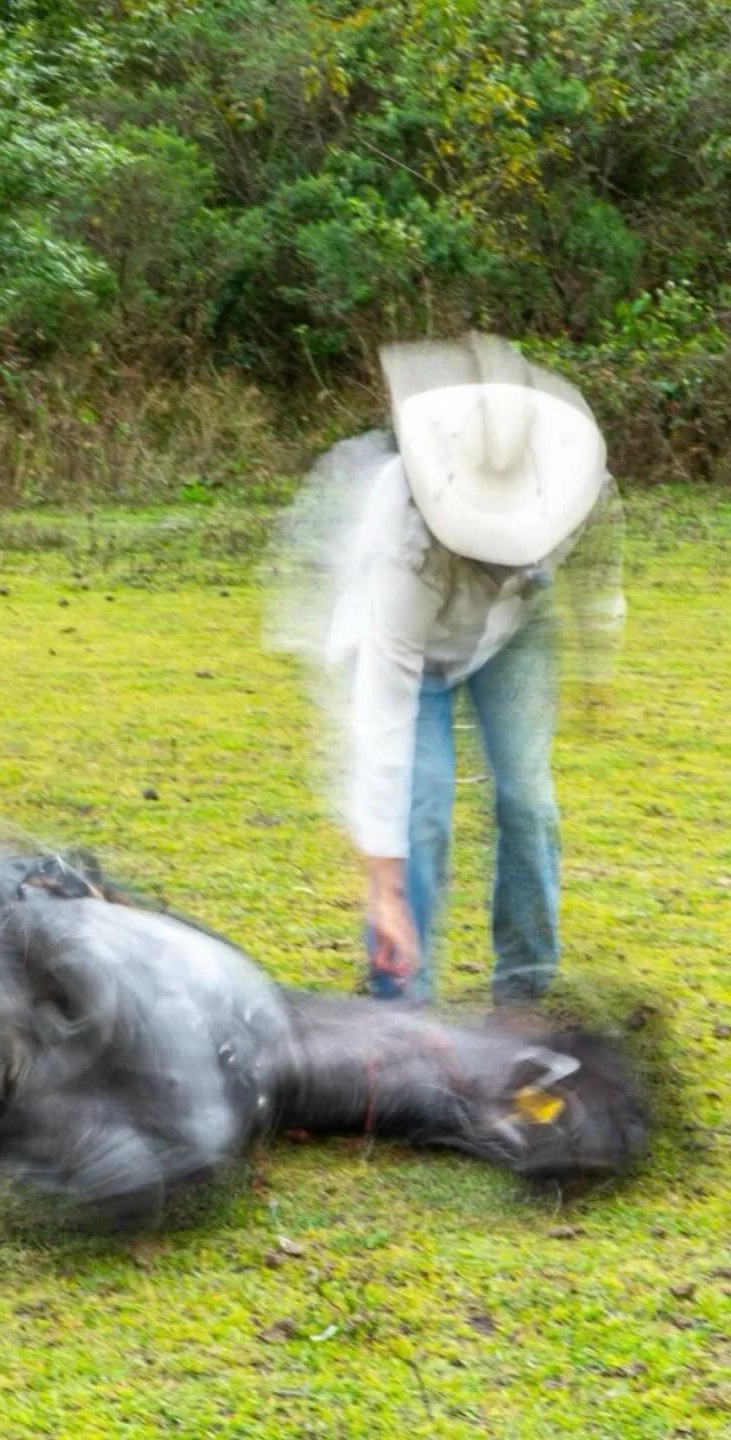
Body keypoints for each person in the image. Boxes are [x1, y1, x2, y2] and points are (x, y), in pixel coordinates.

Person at [267, 334, 624, 1004]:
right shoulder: (402, 529)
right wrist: (385, 890)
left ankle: (525, 997)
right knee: (421, 808)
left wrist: (598, 655)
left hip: (515, 630)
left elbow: (601, 566)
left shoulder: (581, 479)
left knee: (528, 801)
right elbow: (383, 718)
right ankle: (402, 1007)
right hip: (416, 652)